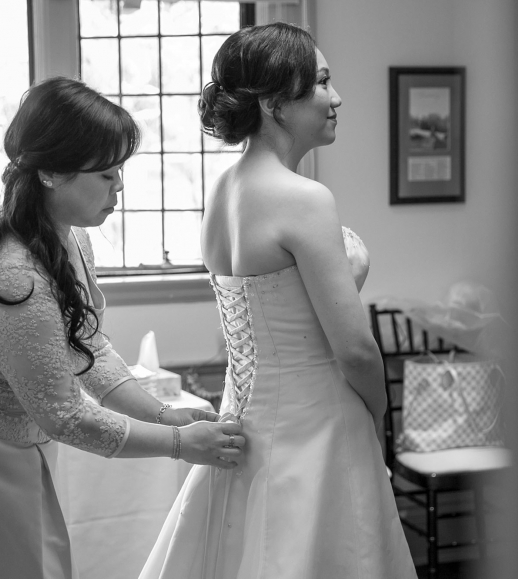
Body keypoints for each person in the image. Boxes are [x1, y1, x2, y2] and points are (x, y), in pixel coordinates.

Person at [0, 77, 244, 579]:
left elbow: (86, 345)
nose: (120, 187)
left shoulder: (67, 238)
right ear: (50, 173)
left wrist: (162, 415)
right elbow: (64, 415)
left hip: (10, 448)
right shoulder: (12, 272)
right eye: (106, 174)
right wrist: (180, 445)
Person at [139, 23, 417, 579]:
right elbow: (356, 350)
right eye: (320, 83)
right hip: (319, 428)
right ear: (274, 104)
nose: (336, 98)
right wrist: (379, 421)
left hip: (245, 423)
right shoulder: (303, 199)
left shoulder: (221, 192)